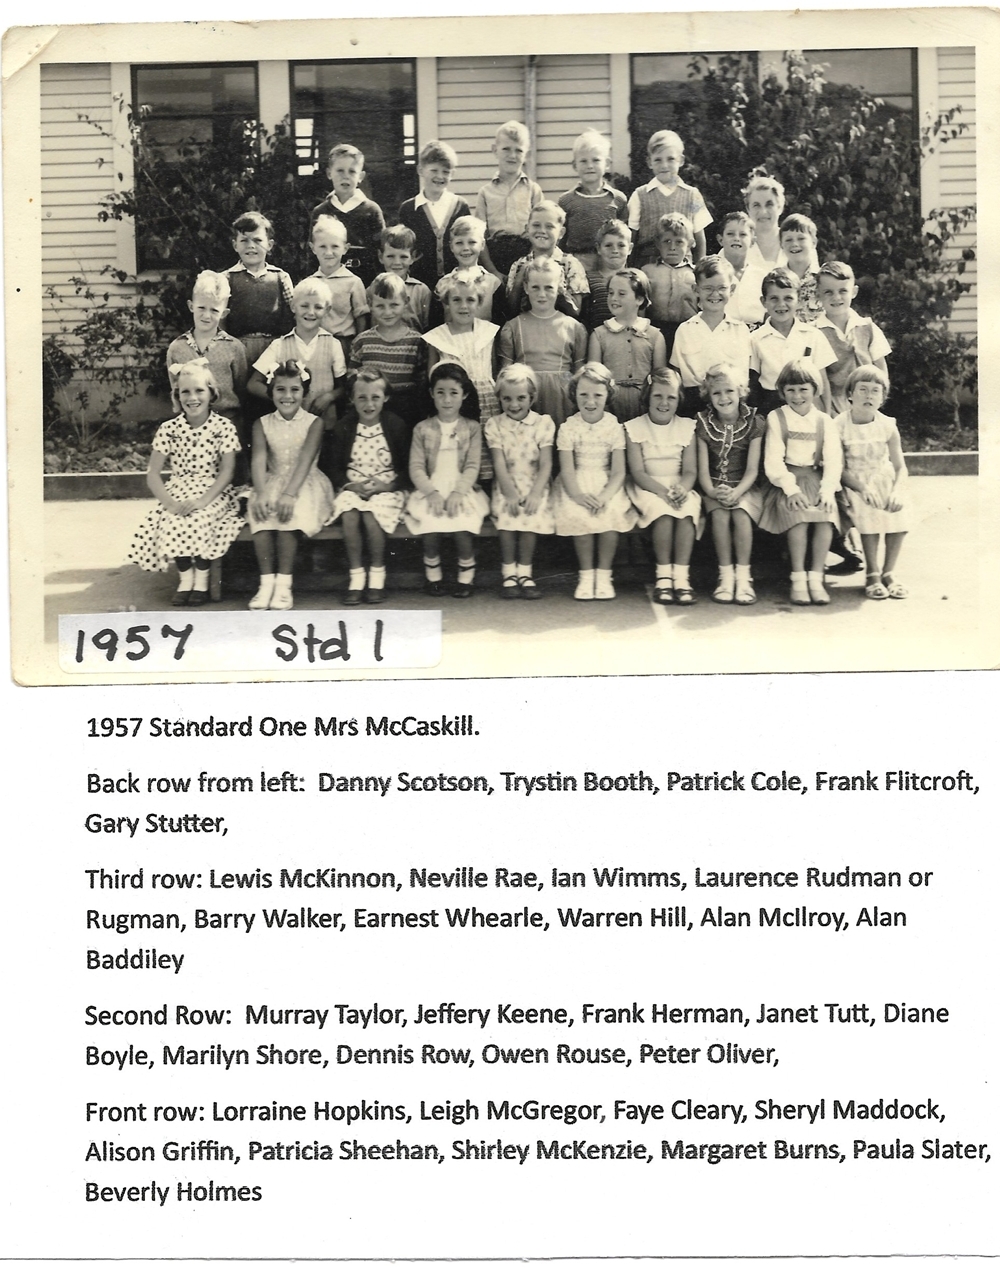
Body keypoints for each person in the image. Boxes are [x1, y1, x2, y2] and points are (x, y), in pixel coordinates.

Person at [127, 361, 243, 606]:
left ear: (212, 392)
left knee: (199, 518)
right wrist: (170, 503)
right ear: (177, 396)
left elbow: (227, 471)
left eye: (199, 390)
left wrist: (202, 501)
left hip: (213, 490)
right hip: (178, 488)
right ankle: (185, 580)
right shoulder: (169, 429)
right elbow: (153, 474)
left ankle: (201, 581)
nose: (192, 398)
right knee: (173, 519)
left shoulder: (223, 427)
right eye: (185, 392)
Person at [246, 360, 334, 612]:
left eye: (295, 390)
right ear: (271, 392)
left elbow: (306, 460)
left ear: (304, 393)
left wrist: (289, 494)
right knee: (261, 514)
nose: (288, 396)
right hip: (272, 479)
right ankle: (266, 584)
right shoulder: (261, 423)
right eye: (280, 389)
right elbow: (259, 459)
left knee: (289, 515)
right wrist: (261, 493)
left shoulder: (314, 423)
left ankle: (284, 585)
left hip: (304, 482)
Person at [759, 359, 842, 606]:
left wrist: (827, 491)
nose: (797, 396)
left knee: (825, 518)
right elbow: (773, 461)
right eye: (791, 390)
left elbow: (833, 461)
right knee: (799, 518)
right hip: (786, 482)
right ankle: (797, 578)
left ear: (815, 390)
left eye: (803, 389)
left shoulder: (824, 421)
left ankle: (816, 577)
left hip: (817, 479)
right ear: (782, 392)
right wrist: (791, 490)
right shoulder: (777, 417)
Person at [551, 362, 636, 601]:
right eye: (583, 395)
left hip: (607, 483)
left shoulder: (614, 426)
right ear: (574, 394)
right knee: (580, 515)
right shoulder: (568, 428)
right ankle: (586, 575)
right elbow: (567, 470)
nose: (590, 401)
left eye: (597, 395)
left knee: (611, 513)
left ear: (608, 395)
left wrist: (605, 496)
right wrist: (578, 496)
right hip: (576, 483)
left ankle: (604, 575)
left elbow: (618, 472)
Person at [405, 363, 490, 598]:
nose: (447, 399)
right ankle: (433, 576)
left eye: (453, 393)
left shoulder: (472, 428)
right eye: (440, 392)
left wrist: (458, 492)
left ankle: (466, 577)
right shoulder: (422, 428)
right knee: (430, 526)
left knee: (463, 525)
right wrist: (431, 493)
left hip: (462, 488)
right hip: (430, 487)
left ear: (465, 394)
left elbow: (472, 466)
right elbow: (416, 467)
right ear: (431, 393)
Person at [327, 370, 411, 605]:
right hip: (353, 487)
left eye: (375, 397)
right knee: (350, 514)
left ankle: (376, 576)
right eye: (362, 398)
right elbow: (333, 467)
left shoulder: (395, 425)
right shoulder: (344, 427)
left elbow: (407, 468)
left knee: (372, 516)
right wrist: (350, 485)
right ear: (352, 399)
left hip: (387, 488)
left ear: (386, 398)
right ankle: (356, 577)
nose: (369, 404)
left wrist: (388, 486)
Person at [624, 366, 701, 606]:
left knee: (687, 512)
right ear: (647, 396)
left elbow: (690, 471)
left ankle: (682, 578)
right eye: (658, 396)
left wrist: (683, 489)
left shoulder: (687, 427)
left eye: (671, 397)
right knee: (663, 514)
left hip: (679, 485)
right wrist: (662, 492)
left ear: (679, 400)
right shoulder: (633, 427)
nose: (664, 403)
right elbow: (638, 472)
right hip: (648, 487)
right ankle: (663, 577)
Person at [835, 365, 910, 600]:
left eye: (875, 391)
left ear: (882, 397)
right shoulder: (839, 424)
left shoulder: (888, 425)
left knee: (897, 513)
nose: (869, 395)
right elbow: (838, 468)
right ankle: (872, 573)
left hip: (883, 478)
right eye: (863, 389)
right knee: (869, 512)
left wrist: (897, 492)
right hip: (854, 483)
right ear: (850, 394)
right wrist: (862, 488)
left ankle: (889, 572)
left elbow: (900, 466)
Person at [696, 362, 766, 605]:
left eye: (729, 391)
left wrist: (737, 493)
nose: (723, 397)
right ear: (708, 395)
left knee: (741, 515)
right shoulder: (702, 423)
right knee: (720, 516)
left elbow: (752, 470)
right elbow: (702, 470)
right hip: (713, 487)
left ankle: (744, 578)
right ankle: (725, 577)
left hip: (745, 486)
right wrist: (712, 491)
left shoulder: (754, 422)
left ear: (740, 391)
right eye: (716, 392)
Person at [484, 363, 556, 599]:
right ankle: (509, 574)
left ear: (532, 397)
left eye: (521, 398)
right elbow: (499, 463)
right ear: (499, 398)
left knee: (530, 518)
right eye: (507, 399)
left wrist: (535, 493)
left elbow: (546, 464)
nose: (514, 405)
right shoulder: (495, 425)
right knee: (507, 519)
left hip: (535, 484)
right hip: (507, 484)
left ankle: (525, 573)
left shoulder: (543, 424)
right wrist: (510, 493)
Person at [165, 271, 248, 474]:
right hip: (191, 426)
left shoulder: (234, 347)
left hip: (227, 423)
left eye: (214, 310)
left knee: (230, 477)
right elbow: (176, 389)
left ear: (224, 313)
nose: (207, 315)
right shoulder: (177, 348)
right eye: (201, 308)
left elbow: (241, 387)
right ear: (191, 306)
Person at [498, 257, 588, 426]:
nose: (541, 294)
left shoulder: (574, 328)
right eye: (535, 287)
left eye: (548, 287)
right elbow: (505, 372)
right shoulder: (513, 327)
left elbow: (579, 372)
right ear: (526, 287)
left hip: (561, 398)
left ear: (559, 287)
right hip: (525, 395)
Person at [248, 278, 347, 430]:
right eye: (304, 306)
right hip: (288, 426)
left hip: (325, 425)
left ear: (327, 310)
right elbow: (253, 384)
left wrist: (329, 397)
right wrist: (282, 397)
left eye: (318, 307)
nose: (311, 312)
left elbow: (343, 387)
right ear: (293, 306)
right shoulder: (279, 345)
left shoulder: (333, 344)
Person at [221, 211, 294, 396]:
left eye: (257, 240)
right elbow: (220, 320)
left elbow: (294, 314)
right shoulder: (226, 278)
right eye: (244, 240)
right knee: (241, 395)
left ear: (269, 245)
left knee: (270, 393)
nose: (251, 246)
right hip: (238, 348)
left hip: (274, 348)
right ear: (235, 245)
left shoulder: (280, 277)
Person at [672, 255, 752, 417]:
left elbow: (745, 376)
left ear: (732, 289)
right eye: (708, 288)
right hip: (695, 405)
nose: (715, 294)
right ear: (696, 290)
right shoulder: (685, 330)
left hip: (731, 404)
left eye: (722, 288)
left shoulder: (741, 330)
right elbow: (677, 373)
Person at [749, 268, 835, 416]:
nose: (781, 304)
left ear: (799, 300)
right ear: (763, 302)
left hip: (806, 406)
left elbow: (823, 382)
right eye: (774, 298)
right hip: (771, 406)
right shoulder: (755, 339)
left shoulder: (813, 335)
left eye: (788, 298)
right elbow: (753, 384)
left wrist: (826, 416)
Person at [587, 267, 667, 422]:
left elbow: (659, 378)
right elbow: (594, 377)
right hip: (609, 403)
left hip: (644, 404)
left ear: (639, 299)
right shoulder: (599, 335)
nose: (613, 298)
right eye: (611, 293)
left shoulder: (655, 336)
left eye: (621, 294)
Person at [423, 269, 501, 427]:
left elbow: (493, 370)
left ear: (479, 303)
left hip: (488, 404)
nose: (463, 306)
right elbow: (432, 379)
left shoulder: (487, 332)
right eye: (456, 300)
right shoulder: (437, 337)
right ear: (447, 302)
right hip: (452, 405)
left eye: (470, 300)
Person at [349, 272, 427, 430]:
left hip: (405, 414)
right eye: (380, 306)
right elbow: (352, 381)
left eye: (394, 305)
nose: (387, 312)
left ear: (406, 302)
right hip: (370, 411)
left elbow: (421, 385)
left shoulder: (417, 341)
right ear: (370, 305)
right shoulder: (362, 341)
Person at [814, 261, 892, 416]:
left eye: (843, 291)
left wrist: (878, 400)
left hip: (866, 401)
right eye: (828, 292)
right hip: (833, 405)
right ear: (818, 294)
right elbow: (817, 379)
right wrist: (826, 413)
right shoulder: (815, 332)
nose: (836, 297)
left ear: (854, 292)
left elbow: (881, 368)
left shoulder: (867, 327)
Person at [627, 128, 711, 265]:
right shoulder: (640, 195)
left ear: (681, 160)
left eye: (671, 159)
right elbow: (632, 236)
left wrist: (699, 269)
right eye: (658, 160)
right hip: (648, 265)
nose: (664, 165)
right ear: (649, 162)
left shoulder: (692, 195)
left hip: (683, 266)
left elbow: (700, 238)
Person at [475, 120, 544, 281]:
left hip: (526, 257)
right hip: (494, 258)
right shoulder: (485, 193)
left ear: (526, 154)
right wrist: (492, 271)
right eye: (506, 149)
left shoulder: (533, 190)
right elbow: (479, 237)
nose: (512, 156)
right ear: (495, 150)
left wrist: (528, 266)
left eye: (518, 150)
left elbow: (540, 232)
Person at [396, 141, 471, 289]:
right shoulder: (408, 209)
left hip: (456, 285)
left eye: (446, 172)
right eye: (434, 170)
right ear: (421, 170)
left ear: (453, 174)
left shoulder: (460, 206)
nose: (440, 176)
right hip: (419, 284)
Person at [310, 143, 386, 285]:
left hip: (365, 284)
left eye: (352, 171)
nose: (345, 177)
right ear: (329, 173)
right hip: (328, 284)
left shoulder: (372, 210)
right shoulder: (320, 212)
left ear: (361, 176)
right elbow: (312, 255)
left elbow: (381, 252)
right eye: (340, 170)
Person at [504, 200, 590, 319]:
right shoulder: (518, 264)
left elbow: (576, 311)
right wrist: (520, 279)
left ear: (561, 233)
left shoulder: (570, 264)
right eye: (536, 225)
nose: (542, 231)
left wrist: (558, 286)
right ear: (527, 229)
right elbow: (511, 310)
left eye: (549, 226)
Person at [557, 130, 628, 272]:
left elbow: (625, 236)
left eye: (596, 160)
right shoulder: (566, 201)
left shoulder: (618, 199)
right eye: (583, 161)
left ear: (607, 163)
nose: (590, 166)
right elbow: (560, 239)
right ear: (574, 165)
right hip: (578, 262)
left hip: (610, 261)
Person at [306, 214, 370, 360]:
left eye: (335, 246)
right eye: (322, 246)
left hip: (345, 345)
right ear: (313, 248)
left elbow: (361, 320)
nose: (329, 252)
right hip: (316, 346)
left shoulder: (353, 282)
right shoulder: (310, 283)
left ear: (345, 248)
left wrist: (357, 350)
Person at [641, 213, 698, 358]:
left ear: (690, 244)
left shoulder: (696, 273)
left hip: (688, 332)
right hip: (655, 331)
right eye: (667, 241)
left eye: (679, 242)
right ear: (657, 243)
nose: (672, 247)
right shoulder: (647, 272)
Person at [434, 215, 504, 323]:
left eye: (472, 242)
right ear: (451, 247)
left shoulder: (493, 283)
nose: (466, 248)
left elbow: (500, 322)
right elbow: (436, 323)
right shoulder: (442, 284)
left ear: (482, 244)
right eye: (459, 243)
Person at [366, 224, 433, 332]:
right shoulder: (372, 290)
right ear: (380, 257)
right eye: (390, 256)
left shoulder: (421, 290)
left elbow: (427, 326)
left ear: (412, 257)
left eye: (403, 257)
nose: (397, 262)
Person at [718, 211, 766, 327]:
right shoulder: (711, 272)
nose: (736, 238)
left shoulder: (762, 276)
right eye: (730, 234)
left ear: (752, 241)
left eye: (743, 234)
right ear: (720, 240)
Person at [585, 220, 634, 331]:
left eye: (621, 245)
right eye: (608, 245)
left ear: (630, 248)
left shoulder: (635, 279)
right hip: (597, 337)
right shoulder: (588, 278)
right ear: (599, 248)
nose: (615, 250)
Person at [779, 213, 823, 323]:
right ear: (781, 245)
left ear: (813, 243)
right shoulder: (777, 280)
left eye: (801, 238)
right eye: (788, 240)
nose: (794, 244)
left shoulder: (824, 278)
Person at [743, 174, 787, 271]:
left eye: (769, 205)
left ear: (780, 207)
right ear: (748, 209)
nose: (763, 212)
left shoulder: (800, 245)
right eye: (756, 205)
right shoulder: (734, 248)